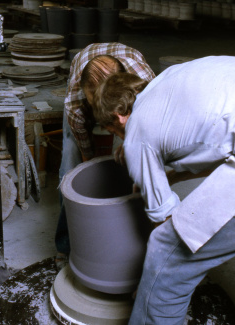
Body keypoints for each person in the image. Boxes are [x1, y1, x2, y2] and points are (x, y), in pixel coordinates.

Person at [92, 55, 235, 324]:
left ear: (118, 118)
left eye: (113, 131)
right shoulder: (170, 83)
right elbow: (224, 148)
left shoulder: (137, 134)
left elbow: (164, 217)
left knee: (166, 251)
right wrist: (172, 176)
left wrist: (151, 280)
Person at [55, 43, 155, 269]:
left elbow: (151, 129)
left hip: (129, 97)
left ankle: (131, 236)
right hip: (84, 92)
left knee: (130, 161)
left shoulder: (145, 86)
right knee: (70, 168)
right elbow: (86, 155)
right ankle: (65, 244)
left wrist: (129, 148)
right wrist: (89, 175)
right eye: (94, 103)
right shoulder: (75, 103)